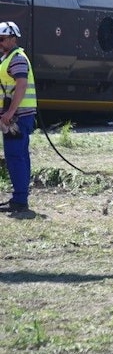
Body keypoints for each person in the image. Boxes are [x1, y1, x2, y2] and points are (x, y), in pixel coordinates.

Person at [0, 21, 36, 213]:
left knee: (15, 156)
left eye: (2, 39)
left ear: (13, 38)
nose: (0, 42)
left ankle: (20, 200)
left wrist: (10, 113)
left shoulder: (17, 58)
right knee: (19, 156)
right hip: (16, 116)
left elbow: (20, 86)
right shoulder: (8, 57)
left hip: (17, 118)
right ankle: (20, 197)